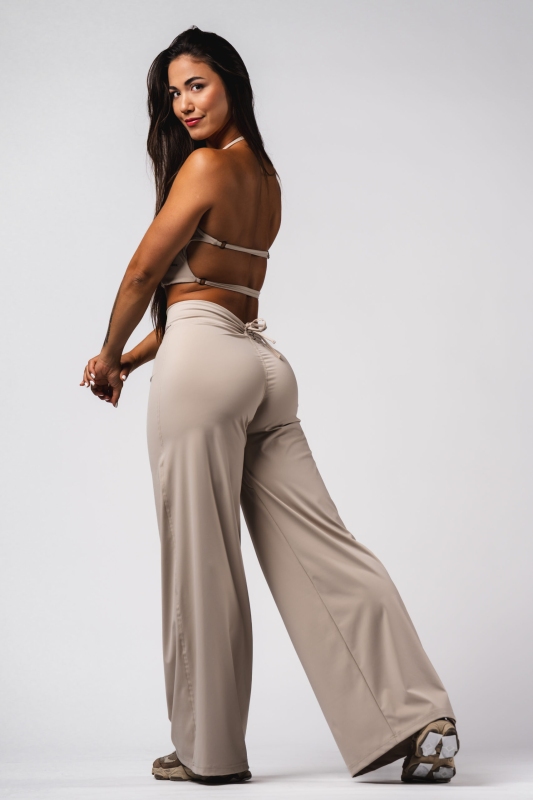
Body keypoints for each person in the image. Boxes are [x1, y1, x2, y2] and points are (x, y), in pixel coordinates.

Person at [80, 26, 460, 786]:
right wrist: (131, 359)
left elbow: (146, 273)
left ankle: (209, 753)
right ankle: (415, 715)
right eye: (172, 94)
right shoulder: (265, 176)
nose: (183, 105)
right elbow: (213, 295)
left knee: (200, 560)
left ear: (231, 82)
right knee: (325, 547)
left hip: (203, 368)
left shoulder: (203, 167)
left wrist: (107, 351)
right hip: (260, 364)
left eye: (196, 85)